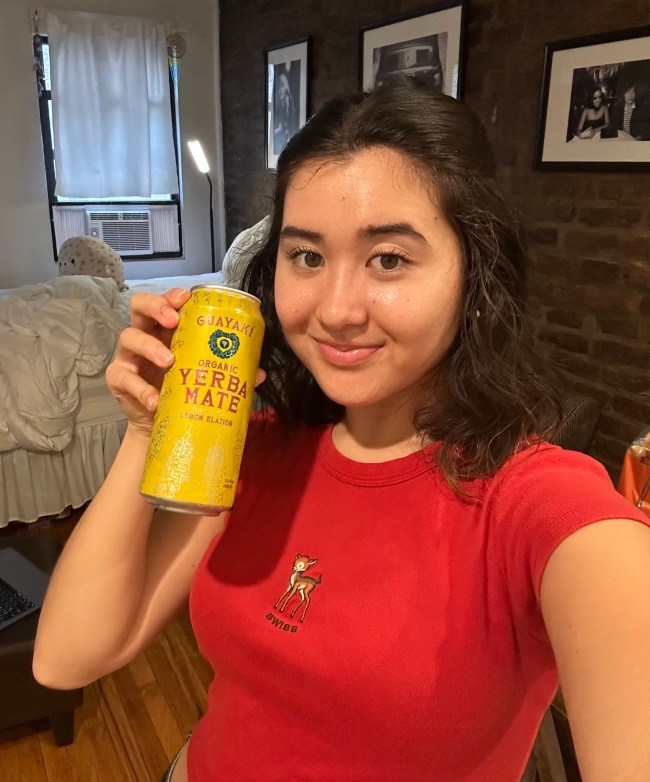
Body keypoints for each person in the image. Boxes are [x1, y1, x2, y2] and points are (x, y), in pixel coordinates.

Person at [33, 78, 650, 781]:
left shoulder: (538, 503)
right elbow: (65, 656)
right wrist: (148, 432)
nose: (335, 309)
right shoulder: (254, 452)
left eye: (389, 258)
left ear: (475, 279)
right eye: (307, 256)